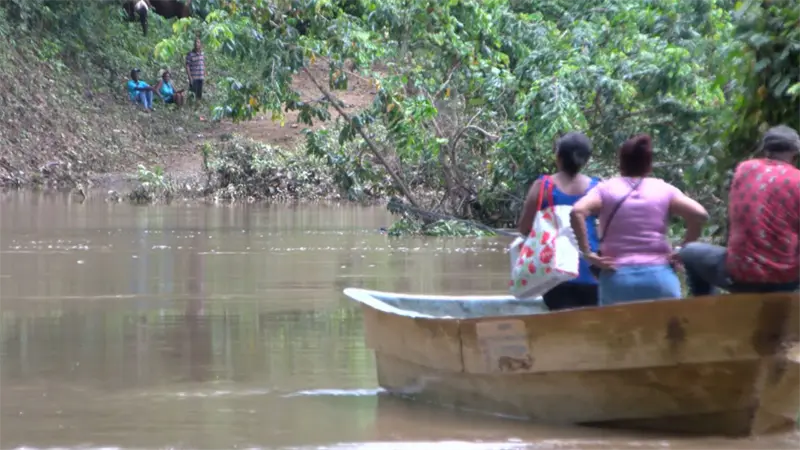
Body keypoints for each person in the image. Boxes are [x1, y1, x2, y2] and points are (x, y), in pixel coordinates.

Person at [570, 134, 709, 305]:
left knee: (618, 332)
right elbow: (700, 215)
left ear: (621, 162)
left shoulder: (605, 189)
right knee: (665, 331)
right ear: (648, 164)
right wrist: (683, 251)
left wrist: (588, 254)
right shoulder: (663, 189)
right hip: (660, 278)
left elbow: (577, 211)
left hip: (617, 278)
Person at [679, 125, 800, 296]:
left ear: (765, 150)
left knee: (689, 251)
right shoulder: (797, 179)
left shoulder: (744, 169)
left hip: (739, 273)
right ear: (795, 152)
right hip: (785, 280)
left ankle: (706, 311)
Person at [517, 132, 601, 311]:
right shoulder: (598, 188)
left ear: (558, 157)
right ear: (586, 160)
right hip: (593, 273)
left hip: (554, 276)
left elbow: (524, 228)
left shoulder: (543, 186)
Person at [185, 38, 206, 102]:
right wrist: (190, 77)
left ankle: (197, 107)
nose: (197, 44)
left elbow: (203, 64)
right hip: (194, 77)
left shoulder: (202, 53)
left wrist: (204, 74)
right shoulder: (190, 54)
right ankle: (189, 108)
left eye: (198, 42)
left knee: (199, 95)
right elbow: (187, 66)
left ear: (200, 44)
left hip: (201, 77)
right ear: (194, 44)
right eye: (196, 42)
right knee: (192, 94)